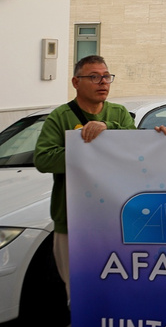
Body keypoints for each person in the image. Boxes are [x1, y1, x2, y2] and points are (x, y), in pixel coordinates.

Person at [34, 55, 136, 300]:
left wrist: (108, 129)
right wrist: (84, 148)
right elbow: (43, 159)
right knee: (80, 294)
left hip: (116, 219)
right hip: (71, 220)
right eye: (93, 77)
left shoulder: (119, 113)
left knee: (118, 288)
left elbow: (135, 149)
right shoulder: (60, 117)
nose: (103, 82)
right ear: (75, 82)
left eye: (106, 77)